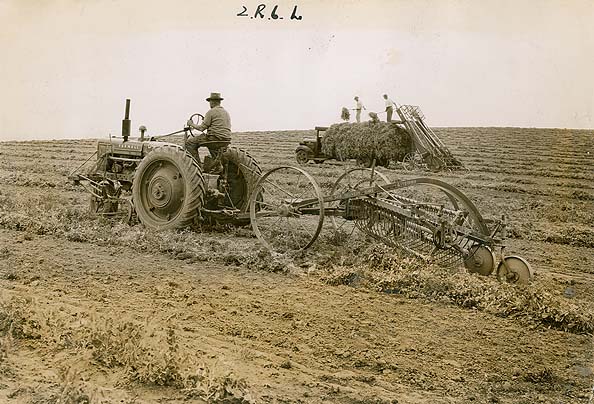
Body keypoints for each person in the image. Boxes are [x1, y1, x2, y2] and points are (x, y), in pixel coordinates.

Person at [186, 92, 231, 165]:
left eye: (210, 102)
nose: (210, 104)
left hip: (214, 138)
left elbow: (201, 128)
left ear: (212, 102)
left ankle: (197, 166)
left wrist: (191, 124)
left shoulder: (211, 112)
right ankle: (216, 166)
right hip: (225, 139)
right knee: (214, 149)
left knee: (190, 143)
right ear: (219, 102)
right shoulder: (226, 112)